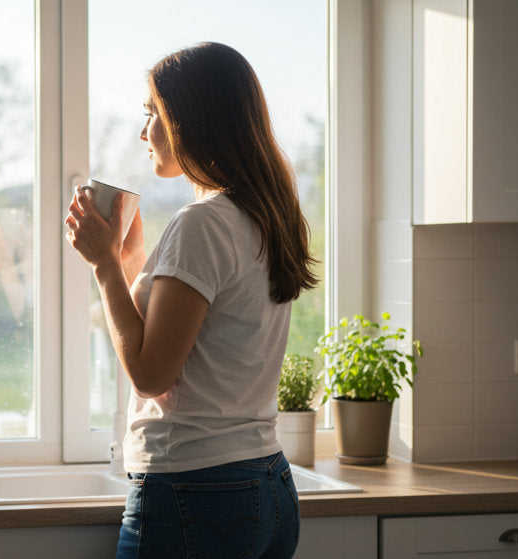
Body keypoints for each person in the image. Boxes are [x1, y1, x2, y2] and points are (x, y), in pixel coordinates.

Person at [65, 42, 318, 559]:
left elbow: (152, 376)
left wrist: (105, 266)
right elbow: (199, 340)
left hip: (195, 491)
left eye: (151, 114)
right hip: (266, 484)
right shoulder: (262, 214)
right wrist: (133, 264)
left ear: (189, 120)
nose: (143, 133)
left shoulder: (202, 223)